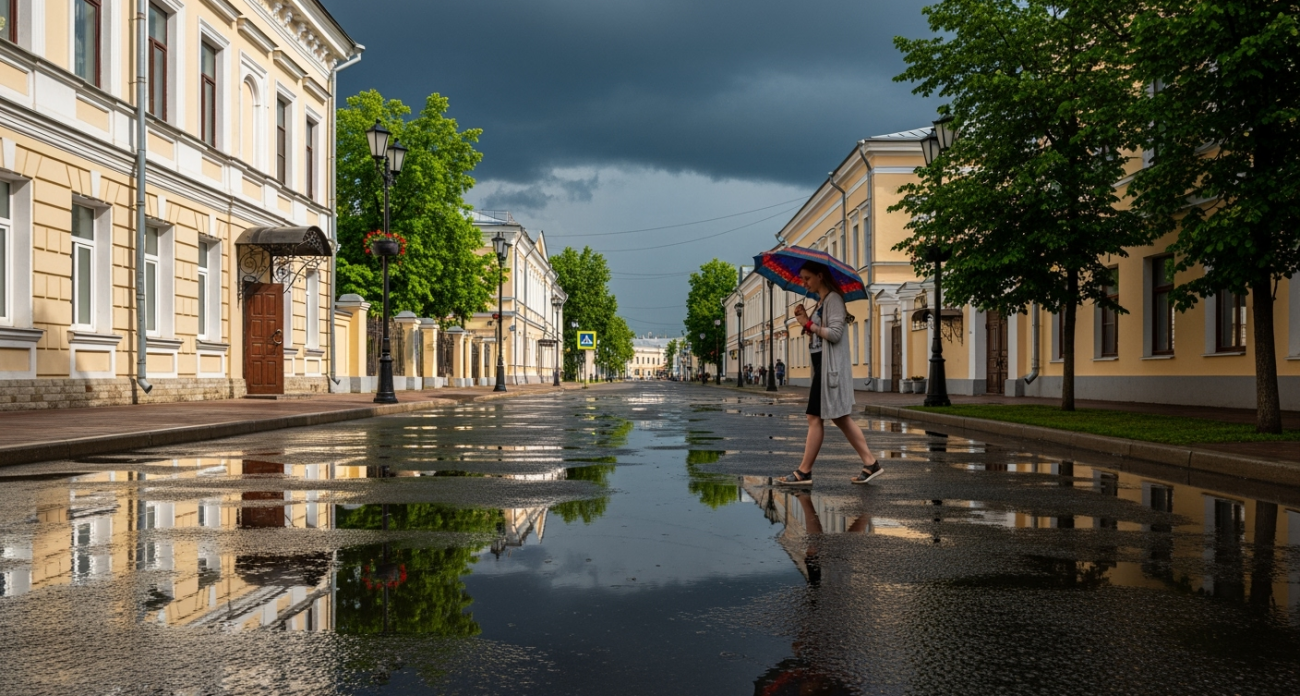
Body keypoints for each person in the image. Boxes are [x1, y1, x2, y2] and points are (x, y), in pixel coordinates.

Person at [777, 260, 882, 486]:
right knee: (839, 417)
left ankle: (804, 472)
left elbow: (834, 334)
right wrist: (806, 323)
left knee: (814, 417)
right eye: (802, 278)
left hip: (829, 367)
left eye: (807, 278)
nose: (804, 282)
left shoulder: (833, 300)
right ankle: (870, 463)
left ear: (820, 276)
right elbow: (818, 335)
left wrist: (808, 324)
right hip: (821, 366)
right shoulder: (821, 302)